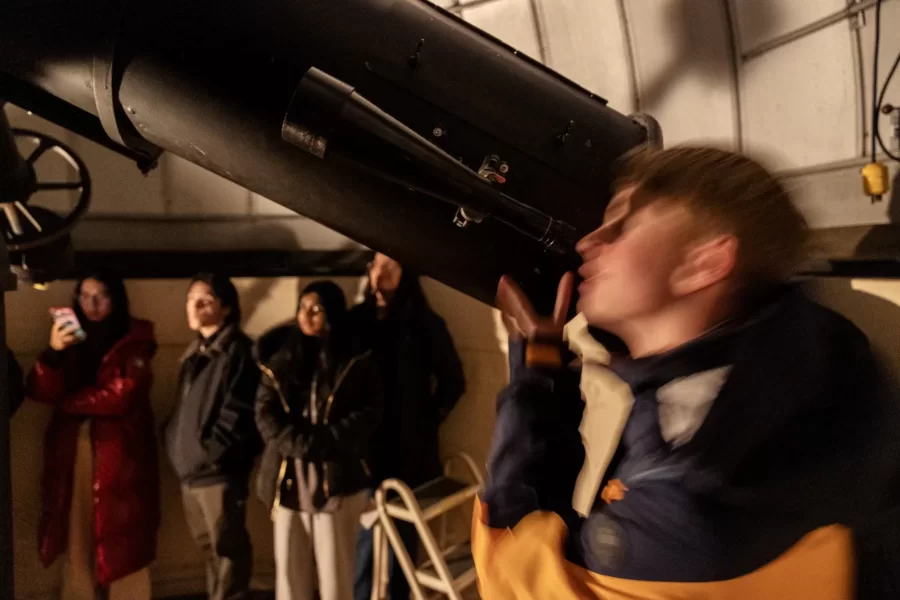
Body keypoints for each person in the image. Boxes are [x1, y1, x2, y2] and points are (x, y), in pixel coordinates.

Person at [473, 146, 900, 599]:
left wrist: (536, 365)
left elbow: (510, 569)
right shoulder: (822, 355)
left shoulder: (696, 500)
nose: (588, 242)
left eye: (622, 226)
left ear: (706, 263)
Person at [27, 273, 160, 600]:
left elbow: (121, 395)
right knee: (76, 531)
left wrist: (69, 402)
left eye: (101, 295)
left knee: (124, 538)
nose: (93, 304)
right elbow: (40, 390)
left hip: (120, 452)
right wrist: (54, 353)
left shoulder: (134, 339)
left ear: (116, 299)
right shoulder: (73, 340)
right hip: (75, 448)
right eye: (85, 296)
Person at [255, 280, 383, 600]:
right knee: (289, 570)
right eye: (302, 307)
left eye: (316, 309)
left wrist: (327, 440)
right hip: (288, 476)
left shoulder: (354, 359)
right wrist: (299, 442)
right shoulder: (282, 358)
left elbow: (369, 411)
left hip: (335, 475)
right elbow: (265, 413)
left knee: (336, 570)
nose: (306, 315)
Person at [353, 253, 466, 600]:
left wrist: (425, 421)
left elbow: (453, 381)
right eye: (375, 265)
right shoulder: (357, 321)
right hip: (364, 450)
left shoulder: (423, 322)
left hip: (408, 454)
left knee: (403, 543)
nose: (379, 274)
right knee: (366, 545)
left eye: (390, 266)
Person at [164, 273, 261, 600]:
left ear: (227, 308)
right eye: (191, 298)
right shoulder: (196, 353)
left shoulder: (238, 352)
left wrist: (208, 452)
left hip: (217, 472)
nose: (194, 306)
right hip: (192, 471)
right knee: (210, 554)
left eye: (205, 300)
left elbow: (238, 415)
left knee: (228, 554)